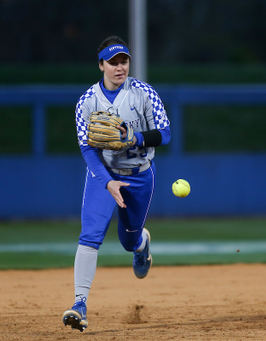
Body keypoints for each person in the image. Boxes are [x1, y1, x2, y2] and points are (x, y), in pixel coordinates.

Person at [62, 35, 171, 332]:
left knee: (128, 241)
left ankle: (141, 244)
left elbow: (165, 133)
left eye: (123, 61)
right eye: (113, 62)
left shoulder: (143, 93)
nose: (119, 67)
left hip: (138, 175)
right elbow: (87, 149)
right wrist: (107, 181)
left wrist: (136, 138)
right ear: (101, 66)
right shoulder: (87, 102)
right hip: (104, 174)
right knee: (90, 235)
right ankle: (79, 304)